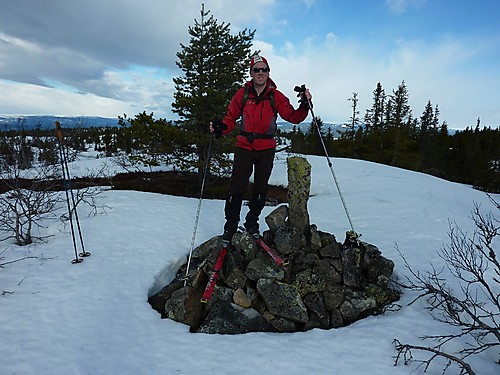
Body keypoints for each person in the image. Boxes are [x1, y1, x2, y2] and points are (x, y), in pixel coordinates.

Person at [210, 54, 312, 247]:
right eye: (256, 69)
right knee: (237, 187)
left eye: (263, 69)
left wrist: (304, 105)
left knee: (260, 187)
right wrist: (221, 127)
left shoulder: (276, 96)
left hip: (266, 148)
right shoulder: (243, 94)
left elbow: (293, 116)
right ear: (251, 72)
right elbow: (230, 118)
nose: (260, 73)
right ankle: (230, 226)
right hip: (244, 146)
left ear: (268, 72)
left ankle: (251, 222)